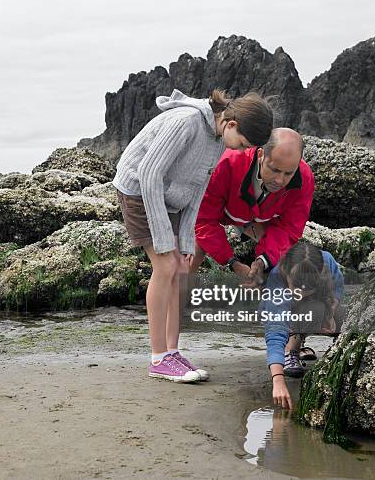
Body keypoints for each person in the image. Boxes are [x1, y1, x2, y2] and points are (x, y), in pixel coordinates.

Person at [113, 88, 274, 382]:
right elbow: (149, 173)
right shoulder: (186, 122)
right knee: (165, 266)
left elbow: (197, 190)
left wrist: (185, 241)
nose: (239, 151)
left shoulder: (217, 139)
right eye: (242, 144)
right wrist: (165, 241)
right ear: (231, 125)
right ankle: (158, 358)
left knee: (180, 268)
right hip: (139, 190)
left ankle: (172, 352)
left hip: (169, 195)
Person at [191, 128, 315, 287]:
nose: (279, 180)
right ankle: (178, 303)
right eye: (274, 169)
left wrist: (262, 262)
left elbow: (289, 228)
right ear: (260, 155)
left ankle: (268, 305)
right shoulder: (226, 163)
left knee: (280, 260)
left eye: (288, 174)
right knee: (194, 250)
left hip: (259, 218)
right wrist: (232, 262)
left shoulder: (304, 178)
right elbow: (204, 221)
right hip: (221, 210)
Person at [261, 242, 344, 409]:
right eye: (297, 288)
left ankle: (336, 350)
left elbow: (337, 289)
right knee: (304, 309)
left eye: (308, 290)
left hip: (319, 303)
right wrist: (278, 380)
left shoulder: (327, 262)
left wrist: (330, 313)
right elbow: (275, 332)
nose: (301, 294)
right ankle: (292, 349)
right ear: (286, 274)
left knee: (341, 314)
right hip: (285, 311)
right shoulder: (278, 279)